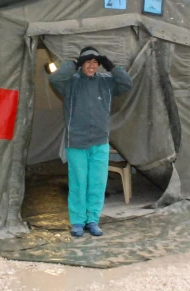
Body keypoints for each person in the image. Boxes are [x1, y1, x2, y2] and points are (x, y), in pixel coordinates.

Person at [49, 46, 133, 237]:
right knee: (78, 182)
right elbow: (54, 78)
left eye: (95, 62)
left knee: (97, 183)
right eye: (88, 62)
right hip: (77, 142)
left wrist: (110, 66)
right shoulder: (70, 82)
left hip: (100, 141)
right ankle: (77, 222)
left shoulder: (106, 82)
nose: (91, 66)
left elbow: (127, 83)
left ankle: (93, 220)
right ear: (81, 64)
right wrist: (74, 64)